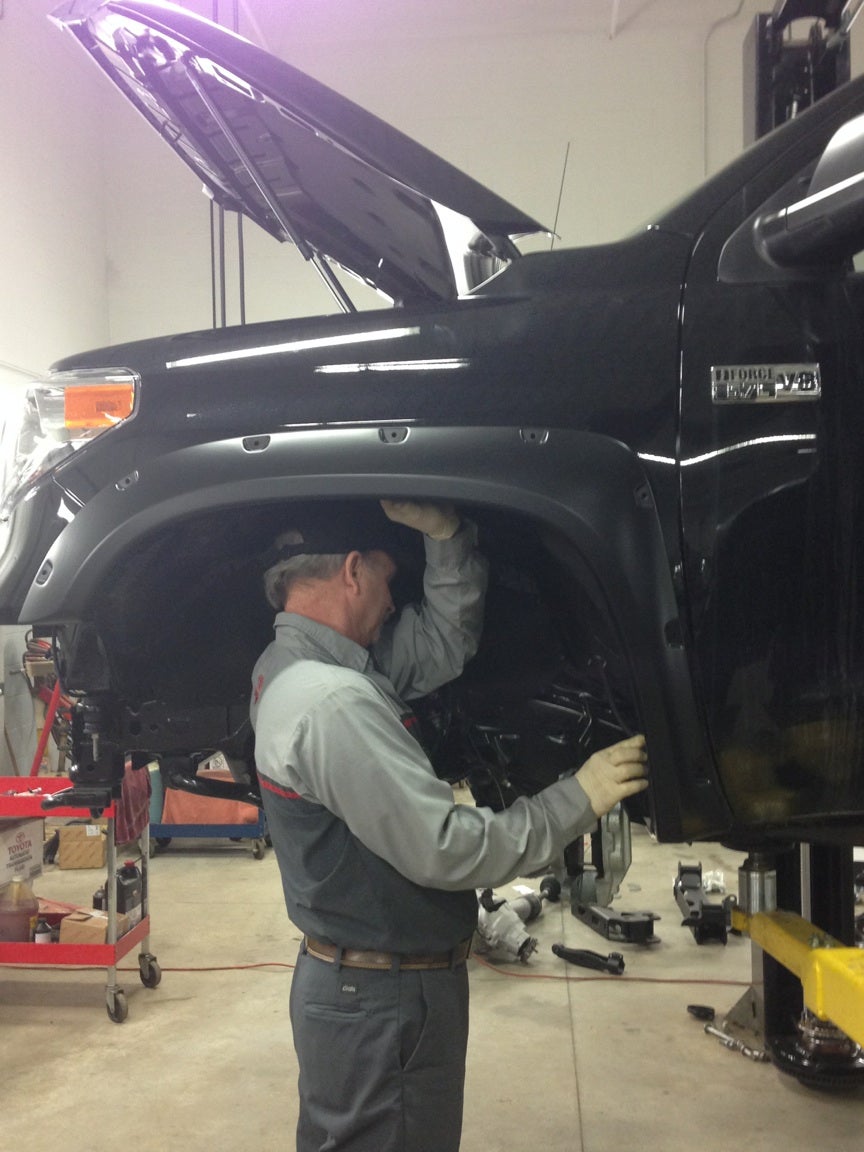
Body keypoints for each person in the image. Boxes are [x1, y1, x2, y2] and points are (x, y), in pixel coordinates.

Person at [249, 499, 649, 1152]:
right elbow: (448, 849)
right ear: (353, 573)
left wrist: (448, 540)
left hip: (362, 988)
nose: (390, 601)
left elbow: (442, 642)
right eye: (387, 580)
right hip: (383, 1002)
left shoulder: (294, 668)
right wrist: (577, 797)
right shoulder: (334, 705)